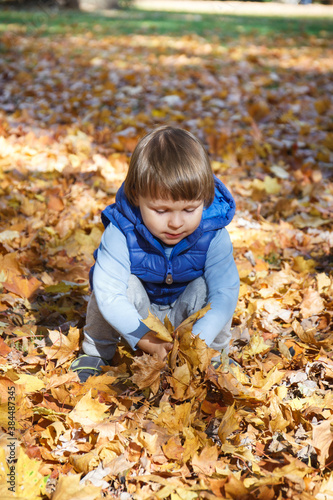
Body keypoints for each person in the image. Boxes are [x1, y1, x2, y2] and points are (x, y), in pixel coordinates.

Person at [70, 126, 240, 382]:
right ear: (137, 195)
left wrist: (197, 341)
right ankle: (95, 354)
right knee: (115, 285)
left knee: (211, 289)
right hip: (137, 315)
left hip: (187, 317)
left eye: (189, 209)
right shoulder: (122, 230)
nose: (176, 222)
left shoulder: (213, 233)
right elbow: (109, 293)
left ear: (204, 199)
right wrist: (144, 338)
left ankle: (214, 356)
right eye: (161, 211)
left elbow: (225, 294)